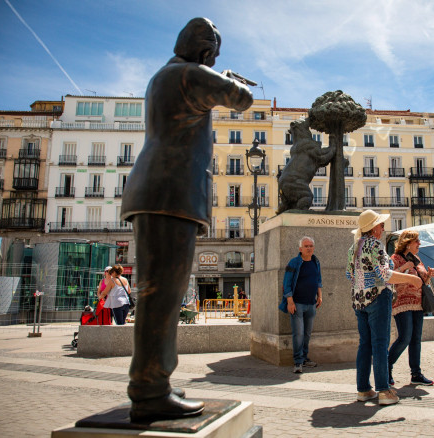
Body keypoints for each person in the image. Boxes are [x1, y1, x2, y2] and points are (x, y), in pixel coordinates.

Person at [120, 18, 254, 421]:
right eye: (213, 54)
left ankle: (152, 383)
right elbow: (243, 98)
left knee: (155, 292)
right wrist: (223, 75)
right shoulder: (190, 74)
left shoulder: (162, 76)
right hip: (171, 193)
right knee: (163, 295)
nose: (214, 60)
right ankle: (149, 390)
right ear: (205, 51)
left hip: (152, 190)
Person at [346, 210, 423, 406]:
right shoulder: (375, 245)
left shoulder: (354, 247)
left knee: (365, 344)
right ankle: (383, 390)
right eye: (380, 225)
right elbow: (385, 275)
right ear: (373, 228)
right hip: (378, 298)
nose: (383, 228)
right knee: (380, 344)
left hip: (358, 300)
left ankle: (363, 390)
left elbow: (349, 275)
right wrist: (412, 279)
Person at [388, 230, 434, 388]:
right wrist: (404, 268)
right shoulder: (395, 258)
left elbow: (422, 281)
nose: (419, 244)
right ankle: (386, 367)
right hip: (402, 303)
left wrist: (428, 275)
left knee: (416, 339)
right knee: (404, 337)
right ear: (408, 243)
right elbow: (388, 276)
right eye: (417, 241)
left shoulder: (418, 259)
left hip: (418, 303)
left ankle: (416, 374)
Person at [279, 236, 323, 374]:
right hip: (297, 304)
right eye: (306, 246)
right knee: (298, 334)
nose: (309, 248)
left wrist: (320, 296)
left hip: (311, 303)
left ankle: (304, 358)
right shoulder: (294, 262)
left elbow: (318, 280)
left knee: (307, 334)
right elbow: (286, 283)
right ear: (300, 249)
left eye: (311, 246)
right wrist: (290, 302)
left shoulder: (316, 262)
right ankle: (298, 362)